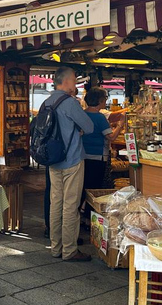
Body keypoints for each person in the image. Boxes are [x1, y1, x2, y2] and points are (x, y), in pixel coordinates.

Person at [45, 66, 94, 262]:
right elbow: (89, 127)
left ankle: (55, 247)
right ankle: (69, 250)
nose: (76, 83)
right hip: (72, 159)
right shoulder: (70, 103)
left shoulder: (47, 102)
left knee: (55, 203)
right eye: (74, 79)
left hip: (53, 160)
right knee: (70, 205)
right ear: (65, 82)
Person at [80, 87, 119, 217]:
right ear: (100, 101)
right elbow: (111, 137)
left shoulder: (82, 114)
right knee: (94, 190)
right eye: (105, 100)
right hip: (98, 157)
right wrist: (120, 125)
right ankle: (89, 218)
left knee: (83, 186)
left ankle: (80, 215)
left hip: (82, 156)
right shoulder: (100, 117)